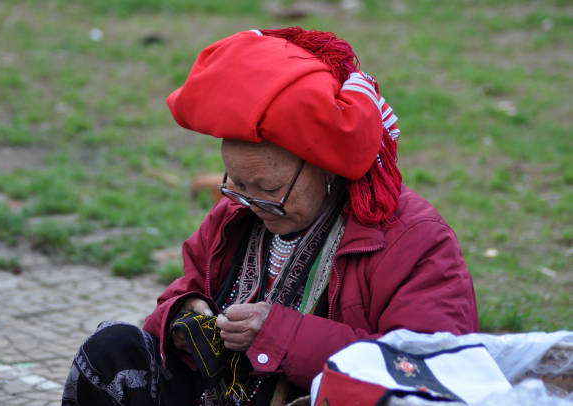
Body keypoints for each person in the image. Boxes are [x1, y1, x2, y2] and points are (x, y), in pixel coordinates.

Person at [62, 27, 478, 406]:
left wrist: (281, 335)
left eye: (269, 190)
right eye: (237, 184)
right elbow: (177, 297)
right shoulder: (235, 215)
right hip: (221, 396)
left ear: (326, 167)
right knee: (112, 350)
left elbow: (430, 367)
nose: (251, 203)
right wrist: (186, 314)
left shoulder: (414, 239)